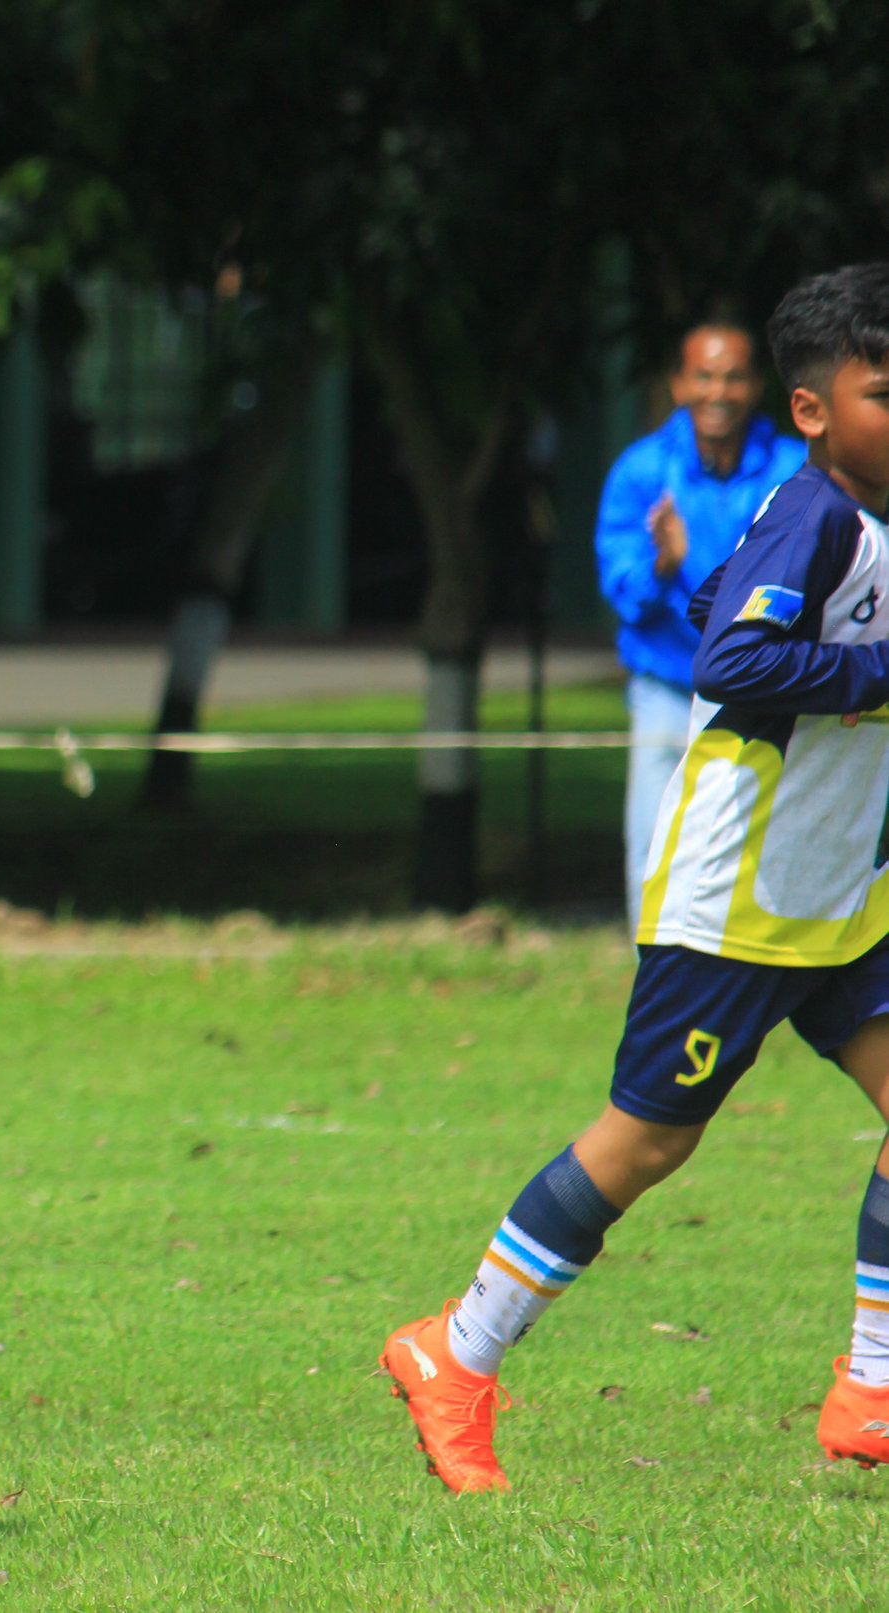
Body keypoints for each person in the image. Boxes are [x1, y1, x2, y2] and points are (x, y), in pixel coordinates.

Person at [379, 264, 889, 1492]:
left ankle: (870, 1386)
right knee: (648, 1144)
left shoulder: (859, 513)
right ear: (814, 409)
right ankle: (455, 1347)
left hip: (839, 894)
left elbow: (726, 591)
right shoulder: (814, 510)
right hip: (738, 898)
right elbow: (731, 653)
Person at [596, 323, 803, 929]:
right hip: (667, 687)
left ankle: (744, 987)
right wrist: (663, 562)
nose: (719, 391)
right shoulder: (642, 471)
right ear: (680, 385)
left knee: (760, 851)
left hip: (763, 691)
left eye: (734, 376)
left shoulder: (794, 469)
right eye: (705, 376)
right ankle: (656, 985)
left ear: (757, 386)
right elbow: (625, 596)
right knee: (653, 845)